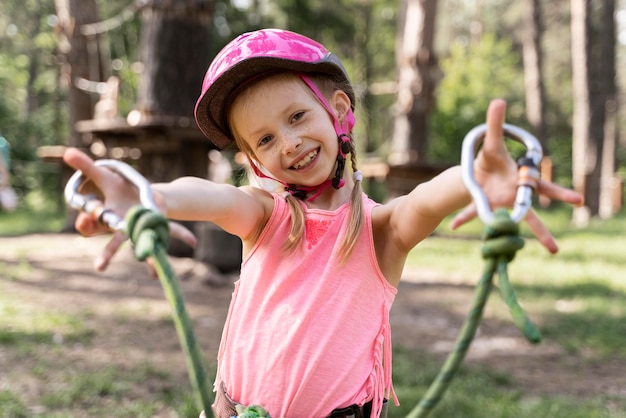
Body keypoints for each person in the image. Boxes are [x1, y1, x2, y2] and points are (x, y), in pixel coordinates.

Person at [62, 29, 583, 418]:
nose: (287, 142)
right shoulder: (265, 216)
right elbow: (212, 198)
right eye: (263, 139)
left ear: (338, 111)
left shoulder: (382, 232)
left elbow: (424, 200)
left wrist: (473, 177)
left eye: (296, 117)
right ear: (254, 160)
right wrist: (148, 195)